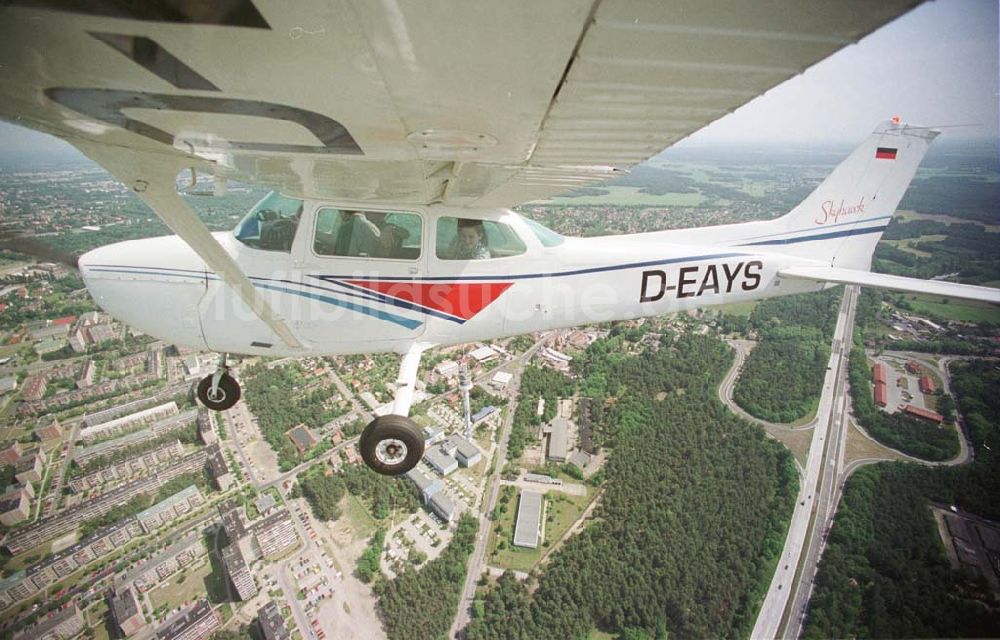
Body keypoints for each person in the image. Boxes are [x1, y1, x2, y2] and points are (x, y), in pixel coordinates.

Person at [335, 211, 408, 258]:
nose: (379, 215)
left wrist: (392, 229)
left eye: (380, 213)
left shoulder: (387, 226)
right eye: (373, 213)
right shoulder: (358, 225)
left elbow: (406, 233)